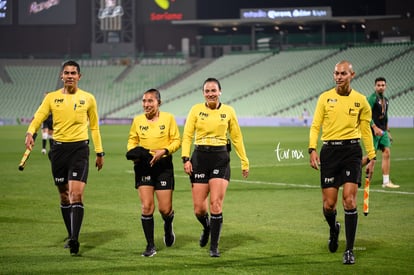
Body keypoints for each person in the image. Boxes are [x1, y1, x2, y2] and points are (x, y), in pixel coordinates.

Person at [25, 60, 104, 255]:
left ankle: (75, 239)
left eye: (73, 73)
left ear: (79, 76)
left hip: (79, 150)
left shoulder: (88, 98)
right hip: (58, 151)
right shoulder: (51, 98)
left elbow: (94, 127)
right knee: (63, 195)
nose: (70, 76)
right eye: (66, 73)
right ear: (61, 76)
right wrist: (30, 132)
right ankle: (70, 235)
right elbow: (38, 116)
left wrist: (99, 152)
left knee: (75, 194)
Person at [308, 61, 376, 265]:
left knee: (349, 200)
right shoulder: (325, 98)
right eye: (336, 73)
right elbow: (315, 125)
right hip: (329, 152)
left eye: (343, 73)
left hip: (352, 152)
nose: (338, 77)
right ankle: (333, 228)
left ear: (352, 75)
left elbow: (365, 131)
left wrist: (371, 156)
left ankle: (349, 250)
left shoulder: (361, 101)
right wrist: (312, 149)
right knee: (329, 205)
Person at [181, 77, 249, 257]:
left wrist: (244, 161)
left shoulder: (228, 111)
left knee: (216, 205)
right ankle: (207, 226)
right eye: (207, 91)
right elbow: (187, 136)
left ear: (220, 92)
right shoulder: (196, 110)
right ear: (203, 93)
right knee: (199, 209)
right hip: (199, 158)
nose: (210, 94)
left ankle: (214, 247)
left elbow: (236, 137)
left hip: (220, 158)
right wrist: (185, 158)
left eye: (213, 90)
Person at [126, 88, 181, 257]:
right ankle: (150, 246)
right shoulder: (137, 120)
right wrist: (133, 153)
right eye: (144, 101)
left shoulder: (169, 118)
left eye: (150, 101)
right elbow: (132, 141)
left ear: (159, 103)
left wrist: (163, 151)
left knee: (165, 209)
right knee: (147, 206)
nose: (146, 104)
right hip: (143, 166)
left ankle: (168, 223)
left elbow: (177, 141)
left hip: (163, 165)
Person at [361, 77, 399, 188]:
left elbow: (385, 117)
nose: (381, 87)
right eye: (378, 85)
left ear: (385, 87)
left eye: (383, 85)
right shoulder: (371, 99)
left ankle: (386, 182)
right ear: (375, 86)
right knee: (370, 157)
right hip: (373, 131)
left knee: (386, 152)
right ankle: (353, 170)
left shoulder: (386, 100)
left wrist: (388, 131)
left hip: (383, 131)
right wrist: (374, 127)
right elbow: (366, 114)